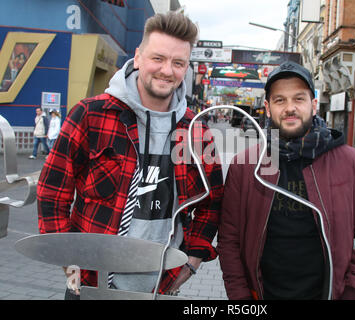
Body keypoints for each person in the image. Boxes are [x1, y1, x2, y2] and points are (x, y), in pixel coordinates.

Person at [37, 12, 223, 299]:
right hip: (90, 283)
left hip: (161, 285)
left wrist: (193, 262)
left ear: (186, 68)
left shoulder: (197, 131)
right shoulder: (91, 115)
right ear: (137, 57)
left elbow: (212, 203)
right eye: (157, 58)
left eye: (178, 63)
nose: (167, 70)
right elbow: (52, 193)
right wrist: (68, 262)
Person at [217, 61, 355, 300]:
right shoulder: (244, 166)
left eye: (299, 99)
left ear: (313, 105)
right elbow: (229, 240)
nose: (290, 108)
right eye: (280, 100)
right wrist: (240, 297)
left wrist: (353, 292)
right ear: (267, 107)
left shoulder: (349, 161)